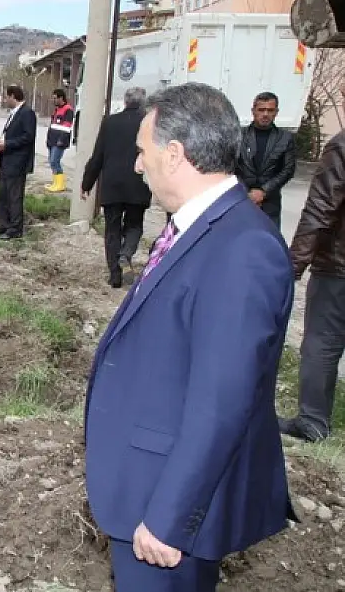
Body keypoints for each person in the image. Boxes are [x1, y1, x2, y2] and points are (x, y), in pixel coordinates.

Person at [85, 82, 297, 592]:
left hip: (166, 508)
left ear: (175, 155)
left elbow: (222, 401)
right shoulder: (199, 227)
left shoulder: (242, 249)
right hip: (146, 481)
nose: (139, 165)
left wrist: (169, 517)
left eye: (143, 151)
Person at [280, 130, 345, 442]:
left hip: (338, 268)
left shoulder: (343, 144)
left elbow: (322, 207)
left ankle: (313, 421)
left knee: (322, 341)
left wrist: (293, 265)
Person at [81, 87, 150, 288]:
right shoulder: (150, 124)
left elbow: (98, 156)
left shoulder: (110, 122)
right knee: (134, 224)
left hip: (112, 184)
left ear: (126, 102)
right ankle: (126, 253)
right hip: (139, 183)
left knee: (111, 229)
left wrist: (87, 183)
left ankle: (115, 276)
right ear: (143, 103)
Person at [235, 91, 297, 228]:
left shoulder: (285, 138)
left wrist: (263, 191)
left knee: (269, 243)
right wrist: (246, 193)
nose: (265, 114)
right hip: (241, 199)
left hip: (270, 203)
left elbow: (288, 170)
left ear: (276, 112)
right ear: (253, 111)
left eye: (270, 110)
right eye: (261, 110)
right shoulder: (239, 135)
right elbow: (230, 166)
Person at [0, 85, 36, 240]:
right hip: (7, 161)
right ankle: (3, 225)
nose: (5, 100)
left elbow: (28, 137)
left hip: (17, 162)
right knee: (2, 195)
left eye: (6, 97)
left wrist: (8, 144)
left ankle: (15, 229)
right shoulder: (13, 114)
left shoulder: (27, 113)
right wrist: (2, 143)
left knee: (14, 197)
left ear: (12, 96)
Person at [45, 88, 74, 193]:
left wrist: (61, 140)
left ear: (61, 98)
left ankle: (60, 184)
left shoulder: (68, 110)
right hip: (52, 140)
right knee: (51, 162)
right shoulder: (57, 109)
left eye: (55, 98)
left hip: (59, 141)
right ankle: (55, 183)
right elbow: (53, 125)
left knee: (55, 161)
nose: (53, 100)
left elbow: (67, 127)